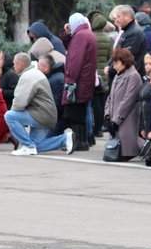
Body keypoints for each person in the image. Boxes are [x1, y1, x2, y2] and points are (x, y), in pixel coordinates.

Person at [5, 53, 75, 156]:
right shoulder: (34, 73)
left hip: (40, 115)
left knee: (9, 116)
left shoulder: (28, 76)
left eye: (14, 63)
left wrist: (17, 123)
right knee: (36, 146)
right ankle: (65, 139)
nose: (13, 66)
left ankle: (28, 146)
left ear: (20, 64)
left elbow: (20, 102)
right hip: (47, 115)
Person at [61, 13, 97, 151]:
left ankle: (78, 143)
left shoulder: (80, 36)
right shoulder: (86, 34)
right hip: (85, 81)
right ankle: (82, 141)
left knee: (75, 114)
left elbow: (74, 60)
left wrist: (69, 79)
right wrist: (67, 33)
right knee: (80, 113)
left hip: (77, 83)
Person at [104, 48, 143, 160]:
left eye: (116, 63)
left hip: (126, 118)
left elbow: (128, 100)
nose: (114, 66)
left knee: (126, 148)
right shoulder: (118, 75)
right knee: (113, 153)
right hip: (115, 118)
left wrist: (116, 120)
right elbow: (110, 97)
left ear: (124, 62)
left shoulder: (133, 76)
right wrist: (107, 115)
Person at [89, 10, 113, 138]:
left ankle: (91, 128)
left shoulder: (90, 37)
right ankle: (99, 128)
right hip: (103, 74)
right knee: (101, 104)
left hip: (92, 74)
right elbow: (110, 56)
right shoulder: (108, 39)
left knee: (91, 103)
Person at [106, 5, 146, 78]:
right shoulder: (127, 31)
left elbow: (125, 58)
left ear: (127, 17)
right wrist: (108, 66)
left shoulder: (134, 33)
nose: (116, 21)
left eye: (118, 17)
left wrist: (110, 70)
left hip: (129, 78)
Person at [38, 54, 65, 135]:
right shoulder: (55, 76)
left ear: (46, 67)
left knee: (41, 143)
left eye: (39, 66)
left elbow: (55, 105)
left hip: (57, 120)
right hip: (58, 118)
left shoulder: (54, 80)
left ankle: (66, 139)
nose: (37, 69)